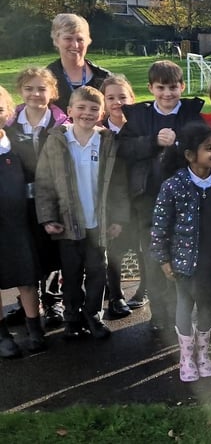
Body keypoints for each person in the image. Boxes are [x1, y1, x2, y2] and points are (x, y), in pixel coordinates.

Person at [35, 86, 129, 340]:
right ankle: (72, 318)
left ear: (101, 113)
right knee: (72, 274)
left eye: (93, 109)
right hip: (68, 224)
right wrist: (48, 218)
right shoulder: (57, 141)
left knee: (98, 272)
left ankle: (93, 316)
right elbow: (44, 182)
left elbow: (119, 185)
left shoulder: (107, 141)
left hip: (99, 224)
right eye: (81, 107)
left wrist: (118, 218)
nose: (87, 113)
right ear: (69, 111)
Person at [118, 60, 204, 333]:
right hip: (149, 200)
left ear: (182, 86)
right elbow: (123, 148)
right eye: (161, 87)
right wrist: (153, 141)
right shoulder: (139, 116)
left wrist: (180, 145)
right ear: (151, 88)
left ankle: (181, 313)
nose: (167, 93)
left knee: (184, 257)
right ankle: (159, 315)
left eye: (173, 87)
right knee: (155, 258)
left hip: (185, 200)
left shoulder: (191, 114)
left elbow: (205, 148)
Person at [151, 121, 211, 382]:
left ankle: (203, 354)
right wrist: (163, 259)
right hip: (183, 262)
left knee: (207, 307)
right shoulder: (174, 185)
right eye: (208, 149)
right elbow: (160, 225)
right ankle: (186, 357)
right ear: (190, 155)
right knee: (184, 304)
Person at [5, 67, 68, 327]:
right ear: (20, 91)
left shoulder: (61, 126)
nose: (35, 94)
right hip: (18, 199)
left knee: (50, 248)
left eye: (41, 88)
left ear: (52, 92)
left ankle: (53, 300)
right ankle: (28, 303)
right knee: (26, 250)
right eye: (29, 88)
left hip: (51, 196)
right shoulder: (9, 125)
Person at [0, 85, 46, 357]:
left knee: (27, 279)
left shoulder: (14, 141)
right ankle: (3, 336)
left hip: (19, 223)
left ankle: (35, 330)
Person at [100, 75, 139, 319]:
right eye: (111, 98)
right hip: (113, 198)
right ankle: (116, 295)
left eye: (122, 97)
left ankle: (143, 290)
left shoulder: (140, 128)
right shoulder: (100, 132)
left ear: (132, 99)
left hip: (139, 196)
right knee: (114, 249)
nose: (117, 102)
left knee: (143, 248)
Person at [46, 13, 112, 110]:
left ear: (88, 41)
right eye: (68, 38)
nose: (75, 45)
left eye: (80, 39)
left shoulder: (105, 78)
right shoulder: (45, 79)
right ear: (56, 41)